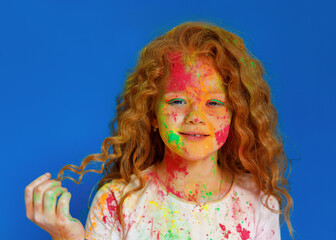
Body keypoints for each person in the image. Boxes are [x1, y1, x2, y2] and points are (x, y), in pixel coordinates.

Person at [24, 21, 294, 240]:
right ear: (152, 113)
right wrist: (66, 237)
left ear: (236, 114)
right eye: (178, 101)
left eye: (214, 103)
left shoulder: (257, 202)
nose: (195, 117)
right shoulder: (117, 201)